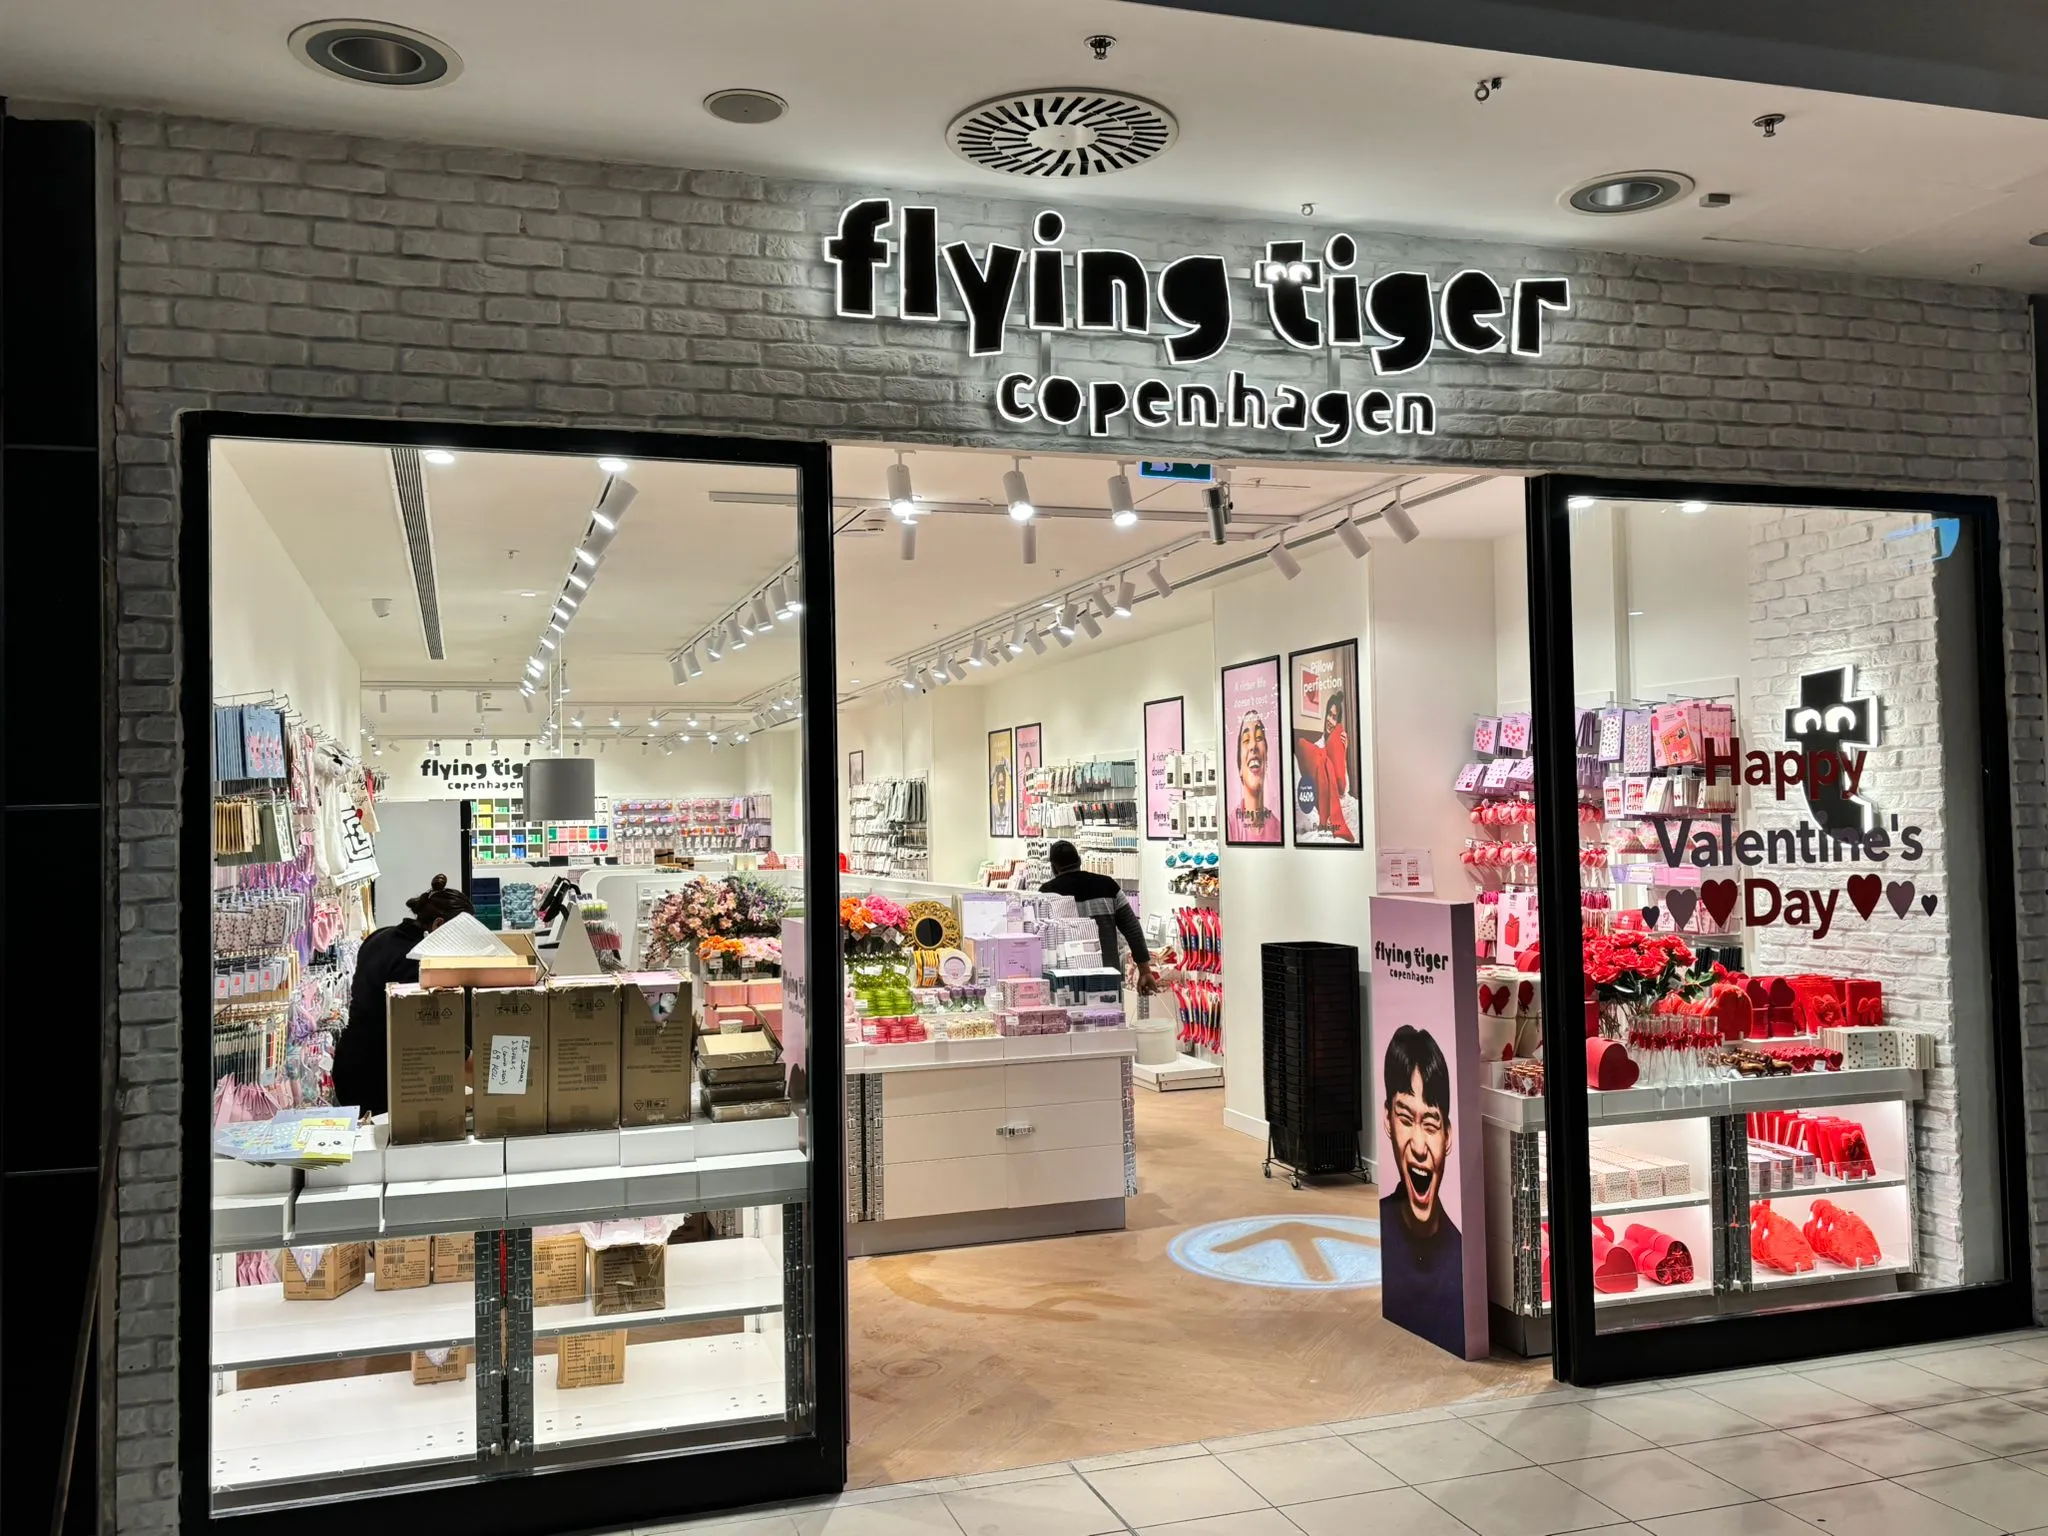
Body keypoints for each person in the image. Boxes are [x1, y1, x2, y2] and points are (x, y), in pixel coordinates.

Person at [331, 874, 473, 1116]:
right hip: (376, 1075)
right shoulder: (415, 962)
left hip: (350, 1061)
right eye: (459, 937)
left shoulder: (381, 936)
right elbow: (425, 1028)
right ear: (439, 925)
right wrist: (472, 1062)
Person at [1378, 1024, 1466, 1356]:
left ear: (1448, 1136)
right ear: (1387, 1120)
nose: (1418, 1146)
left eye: (1430, 1124)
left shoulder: (1463, 1256)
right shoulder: (1382, 1231)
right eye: (1405, 1119)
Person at [1040, 839, 1160, 992]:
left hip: (1065, 980)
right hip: (1107, 975)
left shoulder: (1046, 893)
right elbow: (1132, 929)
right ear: (1080, 861)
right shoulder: (1108, 886)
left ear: (1053, 867)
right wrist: (1145, 971)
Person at [1292, 686, 1354, 842]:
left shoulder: (1337, 747)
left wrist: (1343, 753)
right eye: (1329, 715)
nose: (1330, 720)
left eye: (1334, 717)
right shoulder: (1315, 749)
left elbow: (1344, 789)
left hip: (1345, 803)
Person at [1228, 708, 1277, 842]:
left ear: (1266, 761)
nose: (1253, 745)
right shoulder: (1230, 826)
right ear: (1239, 767)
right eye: (1246, 740)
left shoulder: (1278, 827)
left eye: (1259, 737)